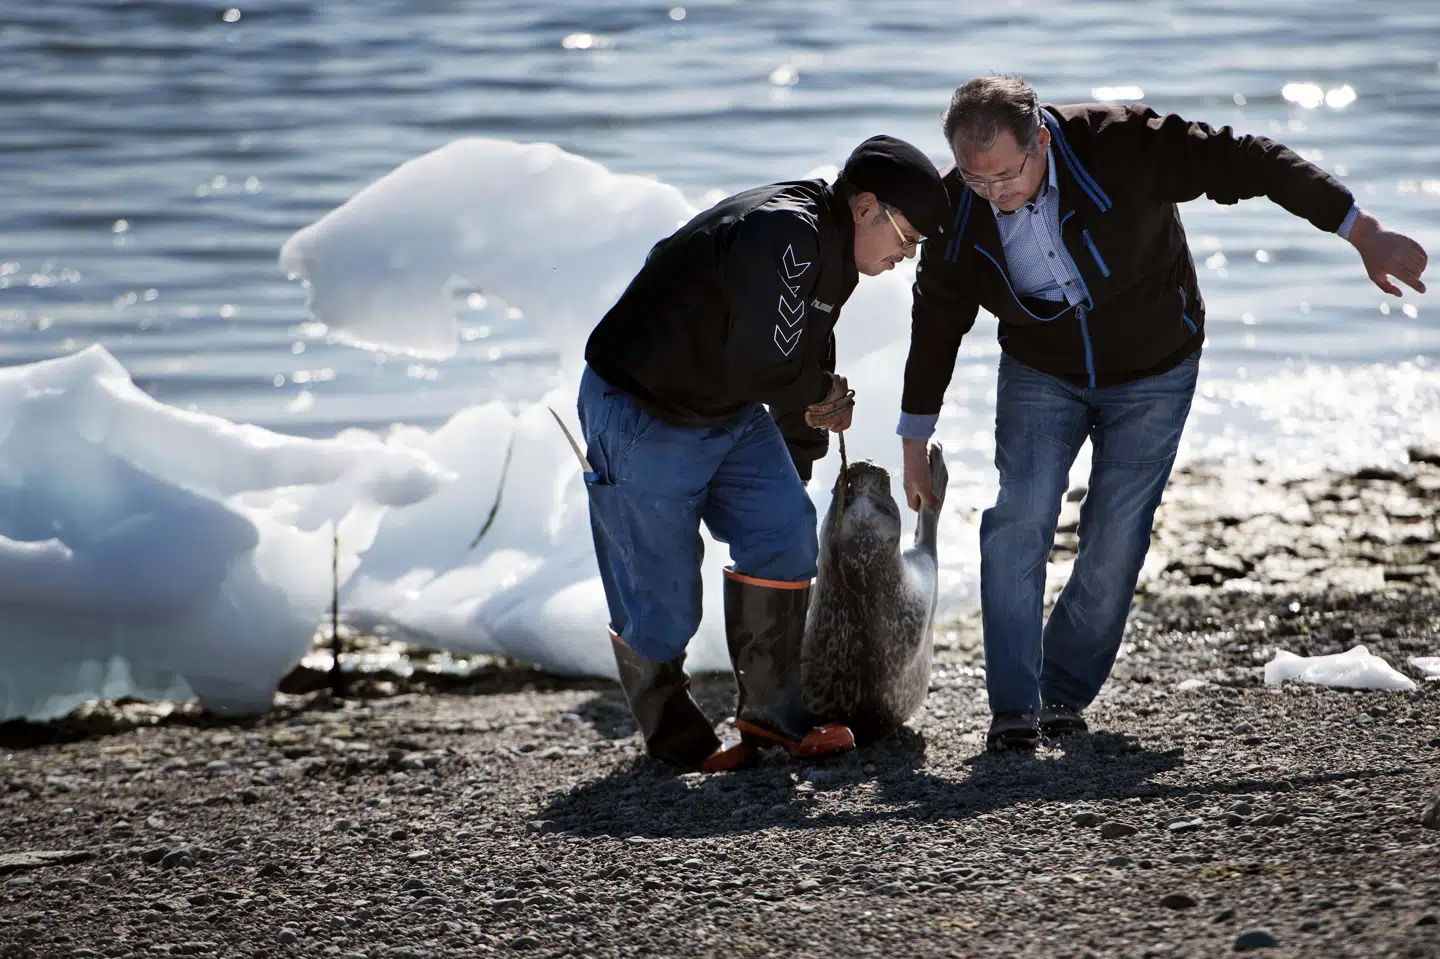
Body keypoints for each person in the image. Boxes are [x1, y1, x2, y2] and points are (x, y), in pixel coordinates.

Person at [898, 75, 1429, 753]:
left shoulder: (1122, 145)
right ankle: (1014, 709)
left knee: (1116, 533)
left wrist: (1360, 229)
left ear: (1040, 140)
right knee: (1019, 518)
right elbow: (937, 318)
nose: (994, 194)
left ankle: (1061, 691)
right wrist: (915, 435)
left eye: (1006, 175)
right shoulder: (959, 207)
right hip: (1040, 368)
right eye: (978, 180)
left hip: (1154, 365)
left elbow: (1252, 160)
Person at [580, 136, 950, 772]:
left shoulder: (833, 252)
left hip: (727, 411)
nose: (907, 256)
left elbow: (802, 356)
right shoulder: (784, 232)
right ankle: (678, 745)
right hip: (644, 410)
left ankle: (773, 717)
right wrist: (820, 392)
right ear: (866, 208)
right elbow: (767, 363)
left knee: (783, 527)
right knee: (662, 600)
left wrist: (808, 435)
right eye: (907, 237)